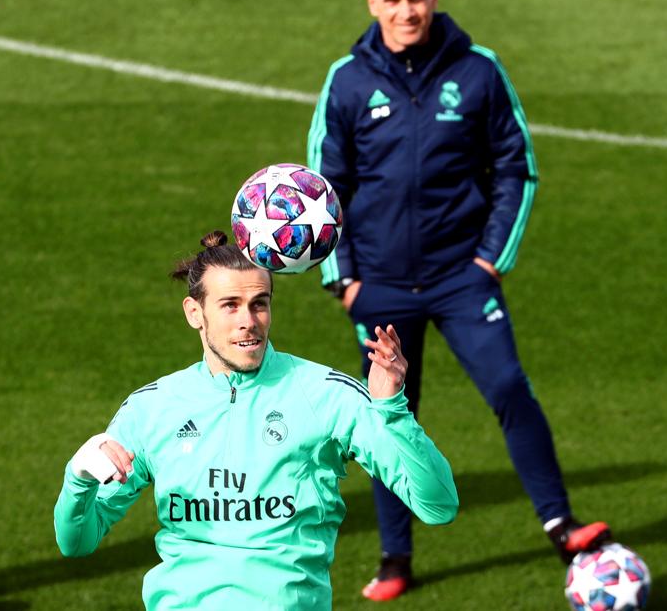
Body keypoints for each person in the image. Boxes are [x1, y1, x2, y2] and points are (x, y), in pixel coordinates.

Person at [306, 0, 612, 601]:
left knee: (508, 387)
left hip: (460, 278)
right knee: (391, 416)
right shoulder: (348, 81)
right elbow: (324, 185)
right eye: (392, 1)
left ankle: (562, 527)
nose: (405, 11)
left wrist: (489, 258)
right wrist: (345, 279)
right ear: (371, 3)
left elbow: (515, 166)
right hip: (381, 285)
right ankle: (395, 559)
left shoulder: (478, 72)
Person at [53, 231, 459, 610]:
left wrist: (391, 409)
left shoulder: (327, 394)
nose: (248, 320)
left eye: (259, 303)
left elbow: (438, 505)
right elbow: (78, 541)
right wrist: (80, 476)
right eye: (229, 305)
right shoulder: (152, 408)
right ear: (194, 312)